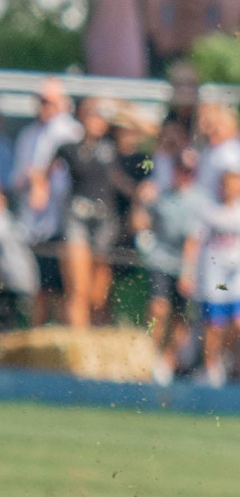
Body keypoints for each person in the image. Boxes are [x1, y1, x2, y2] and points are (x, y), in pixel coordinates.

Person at [55, 100, 135, 329]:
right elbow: (42, 173)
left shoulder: (113, 145)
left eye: (99, 115)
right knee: (78, 289)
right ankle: (78, 345)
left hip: (104, 220)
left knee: (98, 294)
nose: (95, 119)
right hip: (77, 216)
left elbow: (145, 129)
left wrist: (113, 107)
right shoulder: (68, 148)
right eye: (90, 114)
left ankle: (93, 333)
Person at [184, 168, 240, 385]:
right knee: (213, 326)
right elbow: (194, 241)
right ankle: (212, 369)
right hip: (214, 278)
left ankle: (224, 357)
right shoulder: (208, 209)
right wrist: (188, 272)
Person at [11, 78, 80, 325]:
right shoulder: (28, 135)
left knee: (62, 290)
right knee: (37, 288)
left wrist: (42, 181)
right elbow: (17, 178)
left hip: (61, 222)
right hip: (33, 224)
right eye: (41, 101)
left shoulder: (71, 133)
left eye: (49, 101)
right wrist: (33, 181)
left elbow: (73, 180)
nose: (44, 106)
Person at [135, 146, 204, 383]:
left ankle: (168, 360)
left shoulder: (199, 201)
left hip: (186, 265)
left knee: (181, 318)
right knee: (159, 308)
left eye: (189, 170)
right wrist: (140, 201)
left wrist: (188, 272)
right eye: (181, 169)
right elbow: (141, 225)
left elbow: (192, 242)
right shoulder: (161, 196)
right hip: (162, 261)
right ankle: (150, 356)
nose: (184, 174)